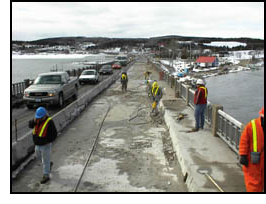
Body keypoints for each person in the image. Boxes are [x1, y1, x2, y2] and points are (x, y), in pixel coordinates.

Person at [28, 107, 57, 184]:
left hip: (45, 145)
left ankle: (46, 175)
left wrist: (47, 141)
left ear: (44, 116)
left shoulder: (49, 122)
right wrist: (33, 122)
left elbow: (54, 134)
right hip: (37, 145)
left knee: (45, 160)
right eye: (38, 117)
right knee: (38, 157)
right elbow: (30, 125)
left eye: (40, 118)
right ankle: (48, 164)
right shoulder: (36, 120)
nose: (39, 119)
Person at [239, 107, 264, 192]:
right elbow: (244, 140)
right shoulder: (252, 125)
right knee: (253, 187)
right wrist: (243, 155)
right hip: (253, 163)